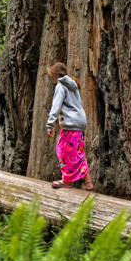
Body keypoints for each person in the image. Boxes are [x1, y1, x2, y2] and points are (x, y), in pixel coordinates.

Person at [45, 62, 94, 190]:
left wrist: (50, 124)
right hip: (80, 122)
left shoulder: (60, 86)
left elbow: (56, 106)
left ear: (55, 75)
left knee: (62, 149)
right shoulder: (73, 85)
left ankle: (66, 180)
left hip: (72, 124)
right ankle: (88, 182)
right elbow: (76, 104)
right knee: (78, 152)